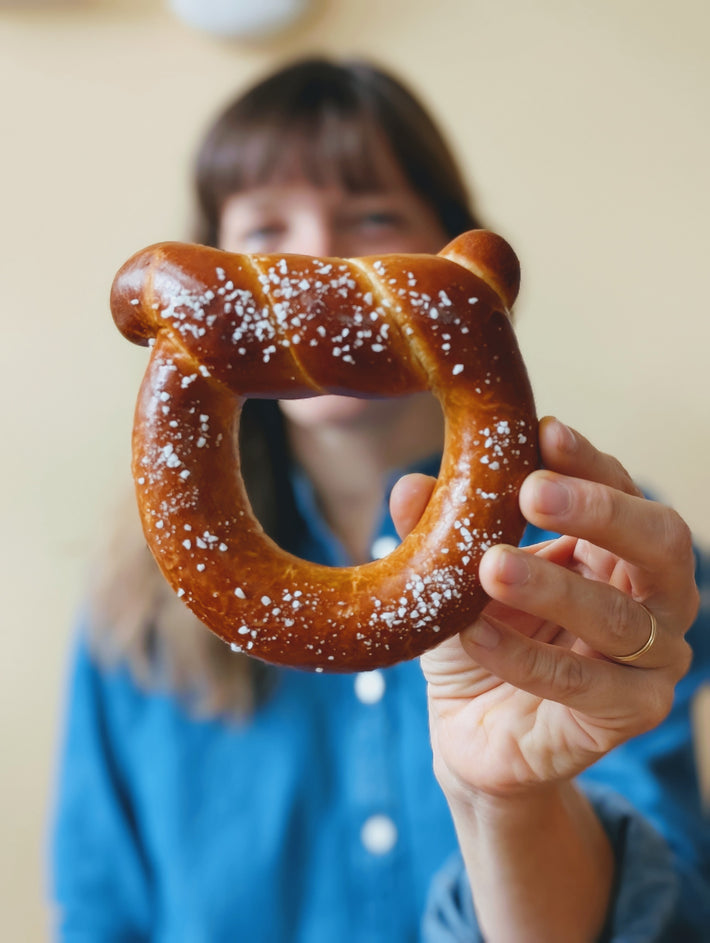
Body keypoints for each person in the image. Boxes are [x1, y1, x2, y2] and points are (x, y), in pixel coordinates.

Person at [50, 57, 710, 941]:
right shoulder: (132, 604)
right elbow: (102, 914)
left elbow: (666, 913)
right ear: (208, 263)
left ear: (457, 259)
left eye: (371, 216)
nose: (319, 257)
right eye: (268, 227)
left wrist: (507, 801)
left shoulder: (590, 563)